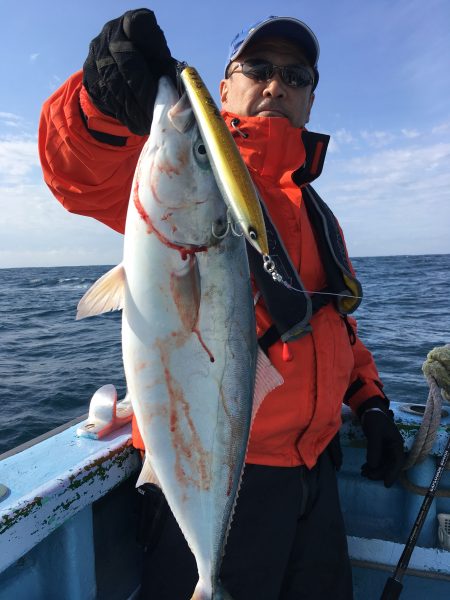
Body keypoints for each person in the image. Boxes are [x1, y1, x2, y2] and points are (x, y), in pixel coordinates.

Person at [38, 9, 405, 600]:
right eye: (257, 68)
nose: (277, 84)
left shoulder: (318, 215)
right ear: (227, 84)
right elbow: (81, 172)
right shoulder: (193, 175)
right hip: (217, 470)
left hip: (316, 477)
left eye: (296, 76)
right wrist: (100, 103)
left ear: (311, 99)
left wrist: (371, 403)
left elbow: (337, 327)